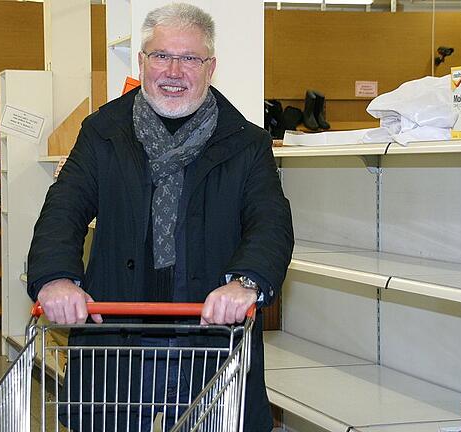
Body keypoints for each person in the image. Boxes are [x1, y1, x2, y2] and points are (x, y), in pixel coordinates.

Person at [27, 3, 293, 431]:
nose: (174, 70)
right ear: (142, 61)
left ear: (210, 67)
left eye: (189, 58)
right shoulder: (103, 131)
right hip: (115, 342)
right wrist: (56, 276)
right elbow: (65, 206)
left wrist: (246, 283)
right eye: (161, 55)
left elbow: (270, 220)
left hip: (211, 344)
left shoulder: (246, 142)